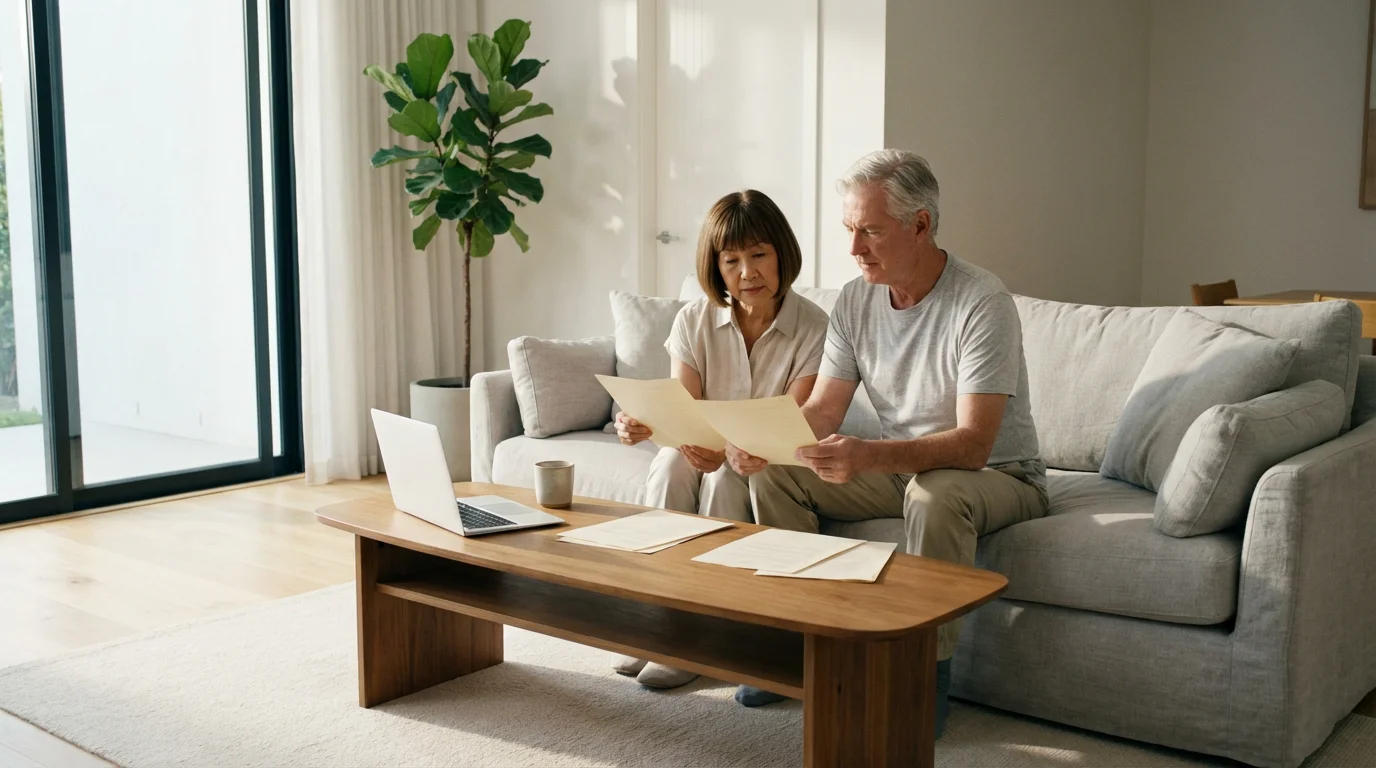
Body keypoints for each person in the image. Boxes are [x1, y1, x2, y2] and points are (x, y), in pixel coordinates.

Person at [729, 150, 1048, 733]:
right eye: (850, 230)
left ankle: (924, 678)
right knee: (777, 473)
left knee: (934, 495)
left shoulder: (981, 302)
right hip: (907, 467)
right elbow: (824, 408)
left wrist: (867, 455)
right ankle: (801, 648)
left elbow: (975, 444)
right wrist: (765, 444)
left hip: (1002, 474)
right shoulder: (854, 300)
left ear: (921, 225)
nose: (854, 249)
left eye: (870, 231)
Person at [611, 189, 829, 696]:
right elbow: (680, 407)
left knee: (728, 480)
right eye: (731, 261)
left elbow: (795, 418)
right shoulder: (694, 319)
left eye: (759, 255)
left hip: (765, 458)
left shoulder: (815, 327)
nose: (747, 273)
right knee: (669, 466)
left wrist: (727, 449)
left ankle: (699, 637)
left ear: (781, 254)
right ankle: (656, 620)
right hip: (705, 448)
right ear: (716, 266)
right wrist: (641, 423)